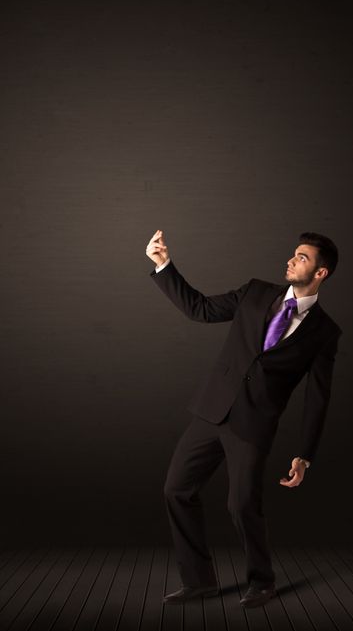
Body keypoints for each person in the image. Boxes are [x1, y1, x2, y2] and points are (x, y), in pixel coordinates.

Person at [145, 229, 342, 608]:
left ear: (321, 273)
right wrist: (163, 265)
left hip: (253, 425)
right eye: (294, 254)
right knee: (176, 490)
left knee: (241, 504)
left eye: (302, 257)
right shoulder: (256, 292)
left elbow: (318, 397)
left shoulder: (325, 332)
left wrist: (305, 455)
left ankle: (262, 581)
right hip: (212, 409)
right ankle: (200, 582)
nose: (291, 260)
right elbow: (199, 309)